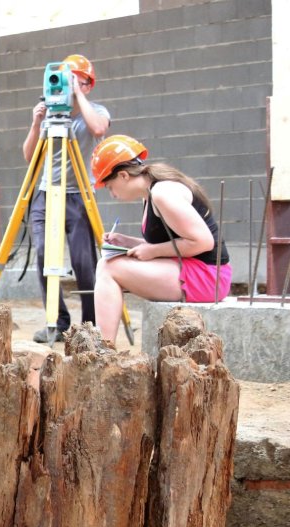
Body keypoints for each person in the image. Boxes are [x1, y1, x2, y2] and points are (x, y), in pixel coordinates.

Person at [90, 134, 231, 343]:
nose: (112, 194)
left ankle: (103, 348)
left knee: (108, 268)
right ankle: (104, 346)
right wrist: (129, 242)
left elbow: (202, 242)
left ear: (123, 176)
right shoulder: (151, 193)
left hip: (207, 276)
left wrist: (152, 251)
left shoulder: (162, 193)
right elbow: (174, 242)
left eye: (110, 187)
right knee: (107, 265)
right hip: (192, 268)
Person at [22, 54, 110, 343]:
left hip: (78, 196)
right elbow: (29, 156)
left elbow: (98, 129)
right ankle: (57, 321)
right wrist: (36, 123)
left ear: (86, 85)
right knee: (45, 255)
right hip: (46, 195)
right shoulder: (49, 116)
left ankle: (88, 326)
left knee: (84, 263)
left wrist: (76, 95)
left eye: (76, 80)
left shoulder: (95, 111)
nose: (68, 86)